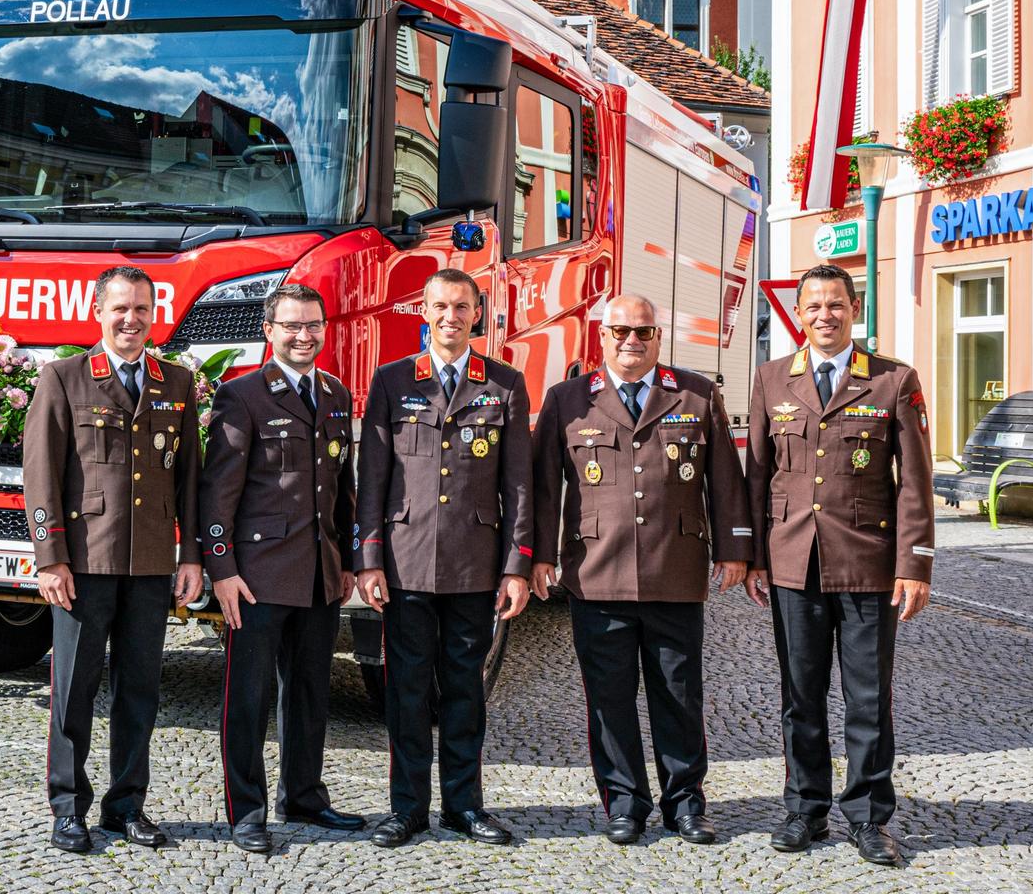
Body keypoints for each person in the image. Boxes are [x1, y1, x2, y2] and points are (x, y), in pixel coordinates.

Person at [530, 294, 753, 846]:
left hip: (673, 570)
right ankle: (624, 802)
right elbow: (540, 485)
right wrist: (537, 556)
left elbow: (724, 478)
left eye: (644, 332)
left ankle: (685, 803)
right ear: (601, 336)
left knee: (678, 695)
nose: (632, 341)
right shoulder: (567, 399)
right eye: (622, 331)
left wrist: (735, 549)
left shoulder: (696, 394)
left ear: (659, 337)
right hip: (596, 571)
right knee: (608, 697)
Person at [743, 262, 934, 867]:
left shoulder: (892, 381)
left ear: (855, 310)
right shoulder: (772, 379)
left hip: (866, 563)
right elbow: (756, 472)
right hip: (792, 563)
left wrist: (915, 565)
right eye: (813, 306)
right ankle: (804, 810)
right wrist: (750, 556)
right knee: (800, 695)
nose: (825, 315)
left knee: (868, 698)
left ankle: (870, 817)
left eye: (836, 304)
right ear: (798, 314)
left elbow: (914, 483)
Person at [23, 265, 204, 854]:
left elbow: (190, 481)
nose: (131, 320)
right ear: (98, 312)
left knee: (140, 691)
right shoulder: (65, 378)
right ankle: (67, 806)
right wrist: (51, 558)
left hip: (150, 564)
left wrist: (192, 555)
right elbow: (41, 475)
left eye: (142, 309)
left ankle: (126, 805)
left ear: (155, 314)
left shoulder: (175, 383)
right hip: (85, 563)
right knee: (74, 689)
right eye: (120, 309)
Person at [354, 268, 533, 848]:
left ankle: (464, 806)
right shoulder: (391, 381)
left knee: (465, 690)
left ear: (477, 313)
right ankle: (407, 808)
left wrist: (517, 565)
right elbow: (373, 478)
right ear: (422, 312)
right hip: (405, 562)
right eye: (439, 306)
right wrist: (370, 558)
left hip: (475, 564)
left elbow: (520, 487)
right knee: (405, 690)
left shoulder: (504, 384)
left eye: (461, 307)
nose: (449, 317)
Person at [199, 283, 365, 854]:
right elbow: (217, 491)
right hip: (257, 576)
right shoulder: (242, 395)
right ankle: (247, 810)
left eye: (313, 325)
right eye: (291, 326)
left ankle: (305, 795)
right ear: (269, 332)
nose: (303, 335)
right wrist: (221, 569)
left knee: (310, 693)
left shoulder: (336, 393)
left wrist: (346, 560)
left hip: (319, 574)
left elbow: (343, 488)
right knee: (248, 698)